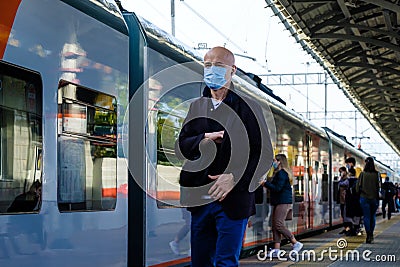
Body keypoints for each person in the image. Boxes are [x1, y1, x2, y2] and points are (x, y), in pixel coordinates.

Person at [176, 46, 273, 267]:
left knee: (225, 262)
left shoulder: (249, 107)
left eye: (219, 66)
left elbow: (265, 155)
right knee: (199, 262)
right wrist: (205, 137)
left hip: (233, 200)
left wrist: (234, 177)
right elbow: (182, 146)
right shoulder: (196, 107)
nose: (212, 70)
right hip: (200, 199)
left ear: (232, 70)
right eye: (207, 65)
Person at [262, 154, 303, 256]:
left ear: (279, 162)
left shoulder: (281, 174)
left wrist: (265, 184)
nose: (273, 163)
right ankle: (277, 250)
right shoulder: (281, 173)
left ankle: (295, 242)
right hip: (279, 201)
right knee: (275, 226)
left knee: (279, 224)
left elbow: (277, 188)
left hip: (282, 202)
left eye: (275, 160)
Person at [356, 157, 379, 244]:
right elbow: (378, 187)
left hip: (364, 198)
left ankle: (368, 234)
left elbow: (358, 187)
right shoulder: (377, 174)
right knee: (372, 217)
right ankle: (371, 234)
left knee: (366, 216)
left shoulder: (362, 174)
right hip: (374, 199)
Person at [345, 168, 363, 236]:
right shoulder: (358, 181)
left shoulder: (347, 181)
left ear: (349, 173)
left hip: (350, 201)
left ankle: (351, 229)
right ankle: (357, 228)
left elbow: (341, 184)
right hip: (357, 200)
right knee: (357, 215)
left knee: (350, 215)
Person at [337, 167, 351, 235]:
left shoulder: (347, 179)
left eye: (341, 171)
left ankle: (348, 228)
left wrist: (340, 180)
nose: (341, 173)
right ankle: (346, 228)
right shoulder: (343, 179)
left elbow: (341, 184)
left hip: (346, 199)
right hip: (342, 199)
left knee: (345, 215)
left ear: (345, 171)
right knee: (343, 214)